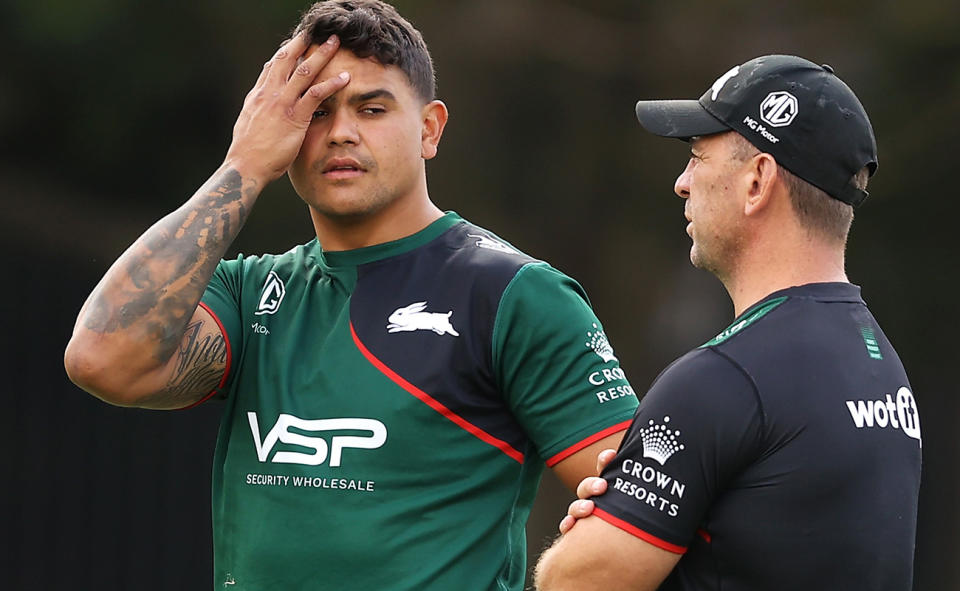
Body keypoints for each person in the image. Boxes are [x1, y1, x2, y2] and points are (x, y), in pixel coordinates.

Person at [63, 1, 639, 589]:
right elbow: (102, 359)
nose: (340, 131)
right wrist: (244, 164)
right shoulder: (249, 291)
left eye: (372, 108)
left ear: (430, 128)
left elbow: (648, 513)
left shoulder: (514, 294)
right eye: (315, 111)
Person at [534, 55, 921, 590]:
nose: (682, 183)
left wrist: (579, 545)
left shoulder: (722, 380)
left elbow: (572, 584)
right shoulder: (880, 365)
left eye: (697, 157)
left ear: (758, 180)